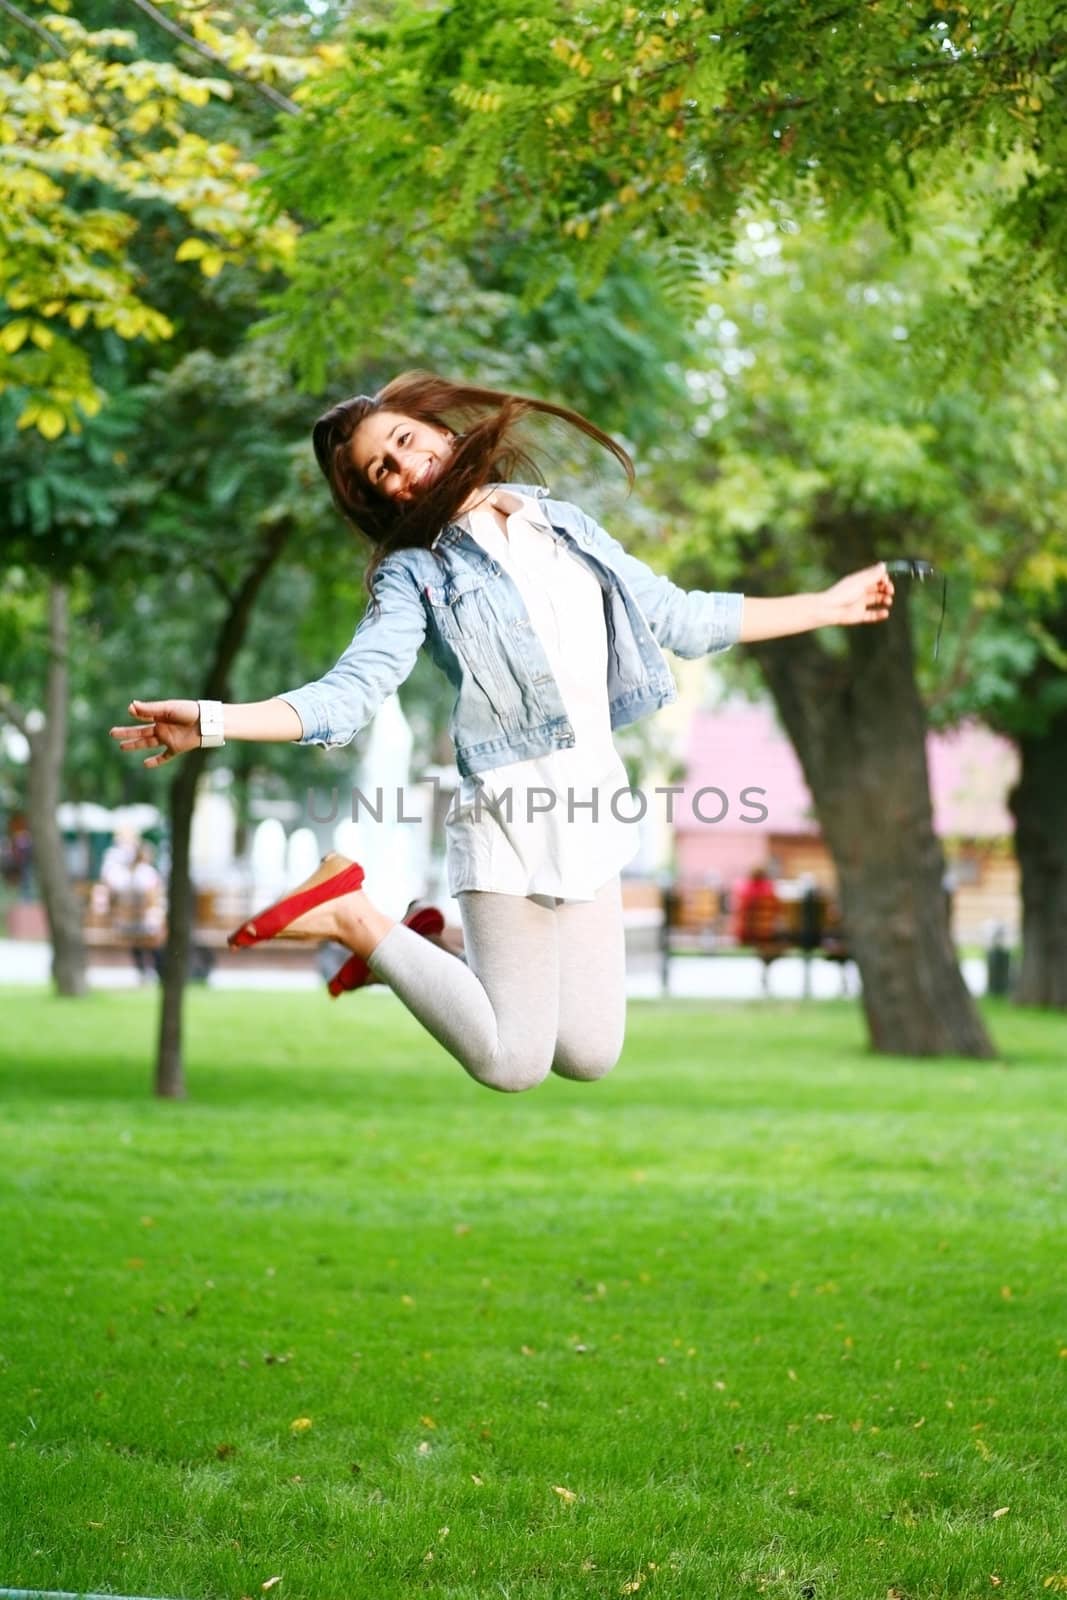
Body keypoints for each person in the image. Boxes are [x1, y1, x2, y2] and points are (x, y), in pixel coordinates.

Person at [110, 372, 894, 1093]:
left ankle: (411, 949)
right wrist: (212, 723)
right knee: (511, 1062)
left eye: (406, 443)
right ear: (379, 499)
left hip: (591, 807)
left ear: (442, 433)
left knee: (588, 1052)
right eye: (382, 471)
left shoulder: (564, 527)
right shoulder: (412, 573)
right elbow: (348, 697)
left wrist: (827, 604)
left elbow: (682, 619)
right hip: (508, 821)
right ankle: (355, 914)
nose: (405, 469)